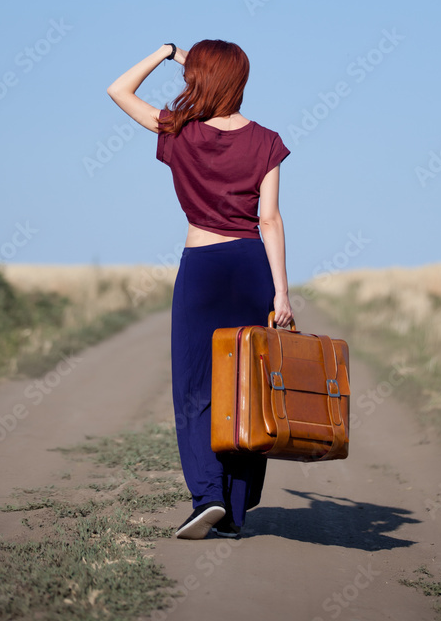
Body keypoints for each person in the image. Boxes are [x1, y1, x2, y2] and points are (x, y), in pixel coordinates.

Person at [107, 39, 292, 540]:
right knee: (247, 386)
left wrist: (168, 52)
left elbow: (117, 90)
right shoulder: (267, 140)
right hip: (251, 266)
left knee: (196, 386)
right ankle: (234, 509)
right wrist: (282, 296)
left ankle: (207, 495)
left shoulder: (180, 131)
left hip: (203, 267)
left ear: (197, 78)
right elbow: (269, 219)